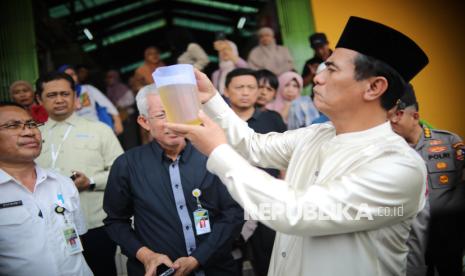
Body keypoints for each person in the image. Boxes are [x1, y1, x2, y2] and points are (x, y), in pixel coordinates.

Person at [165, 16, 430, 275]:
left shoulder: (399, 166)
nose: (317, 77)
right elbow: (253, 145)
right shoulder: (316, 134)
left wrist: (218, 151)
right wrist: (211, 98)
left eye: (332, 69)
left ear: (373, 87)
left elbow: (297, 211)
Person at [103, 84, 244, 276]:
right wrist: (146, 256)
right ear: (144, 121)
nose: (172, 123)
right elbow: (116, 221)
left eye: (176, 113)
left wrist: (197, 259)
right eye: (161, 115)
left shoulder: (212, 155)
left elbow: (234, 213)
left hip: (217, 268)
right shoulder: (127, 165)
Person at [35, 72, 124, 276]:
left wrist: (91, 181)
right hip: (48, 227)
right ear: (39, 99)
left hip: (94, 223)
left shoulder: (100, 130)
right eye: (51, 95)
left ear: (75, 96)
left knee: (102, 270)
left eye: (65, 94)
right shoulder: (33, 134)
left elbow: (121, 173)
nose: (59, 99)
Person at [0, 101, 92, 276]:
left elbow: (77, 237)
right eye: (13, 125)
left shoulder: (63, 184)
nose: (28, 131)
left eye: (32, 124)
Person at [389, 84, 465, 276]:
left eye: (398, 115)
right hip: (410, 238)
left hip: (448, 236)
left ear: (415, 116)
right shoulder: (388, 151)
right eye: (389, 116)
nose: (392, 122)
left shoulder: (448, 142)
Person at [223, 68, 286, 276]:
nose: (245, 92)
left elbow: (286, 159)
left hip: (267, 202)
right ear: (226, 90)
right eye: (239, 87)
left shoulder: (272, 119)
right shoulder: (219, 122)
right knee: (229, 261)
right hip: (229, 201)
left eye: (251, 87)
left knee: (268, 260)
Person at [59, 65, 124, 135]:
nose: (71, 77)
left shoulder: (88, 89)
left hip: (98, 131)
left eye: (72, 74)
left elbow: (107, 104)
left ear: (76, 76)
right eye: (67, 75)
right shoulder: (61, 98)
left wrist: (118, 121)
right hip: (79, 136)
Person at [105, 70, 139, 150]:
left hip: (128, 118)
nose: (109, 79)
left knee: (130, 141)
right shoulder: (109, 90)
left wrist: (118, 105)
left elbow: (131, 100)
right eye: (107, 77)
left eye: (111, 77)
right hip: (119, 119)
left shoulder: (122, 88)